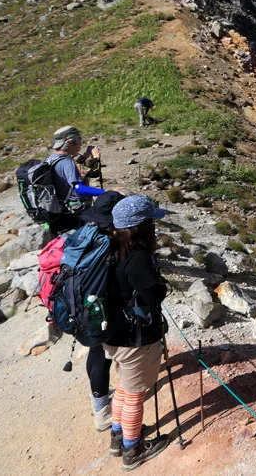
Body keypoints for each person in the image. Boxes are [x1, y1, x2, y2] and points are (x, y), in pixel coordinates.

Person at [105, 195, 171, 468]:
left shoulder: (110, 248)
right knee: (135, 394)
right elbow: (151, 295)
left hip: (112, 333)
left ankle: (118, 436)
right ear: (142, 226)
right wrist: (162, 286)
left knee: (124, 385)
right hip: (135, 338)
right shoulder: (138, 257)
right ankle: (132, 450)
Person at [75, 191, 125, 434]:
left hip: (79, 305)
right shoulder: (107, 243)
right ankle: (102, 413)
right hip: (98, 308)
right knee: (101, 355)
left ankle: (97, 398)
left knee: (95, 353)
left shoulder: (85, 233)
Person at [46, 126, 105, 240]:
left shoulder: (50, 160)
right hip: (75, 213)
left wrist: (85, 156)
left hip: (57, 213)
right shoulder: (67, 162)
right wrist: (104, 192)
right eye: (79, 141)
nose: (80, 145)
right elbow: (79, 188)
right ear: (69, 142)